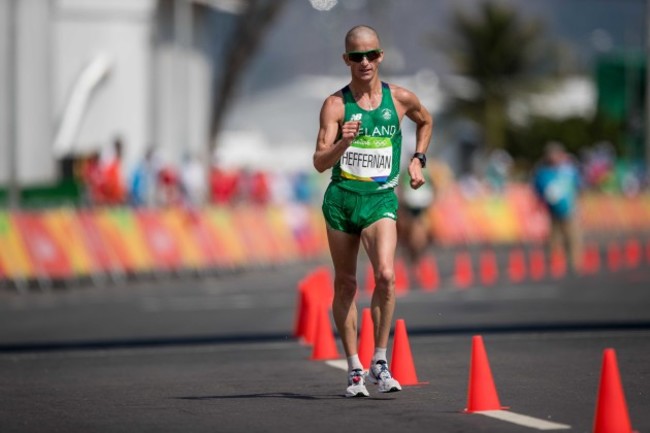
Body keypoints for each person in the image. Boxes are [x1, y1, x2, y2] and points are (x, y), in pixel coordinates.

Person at [313, 25, 433, 398]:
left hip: (380, 199)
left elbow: (426, 121)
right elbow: (319, 162)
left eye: (370, 55)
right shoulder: (335, 104)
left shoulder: (399, 99)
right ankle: (353, 368)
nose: (363, 62)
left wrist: (417, 160)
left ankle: (380, 361)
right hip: (342, 200)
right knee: (346, 283)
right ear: (346, 60)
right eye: (355, 56)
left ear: (380, 56)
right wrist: (343, 142)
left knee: (386, 276)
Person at [532, 142, 582, 272]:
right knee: (553, 237)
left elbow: (578, 186)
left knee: (572, 236)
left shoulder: (569, 170)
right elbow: (537, 190)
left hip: (569, 208)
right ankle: (555, 263)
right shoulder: (542, 172)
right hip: (551, 210)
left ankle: (574, 263)